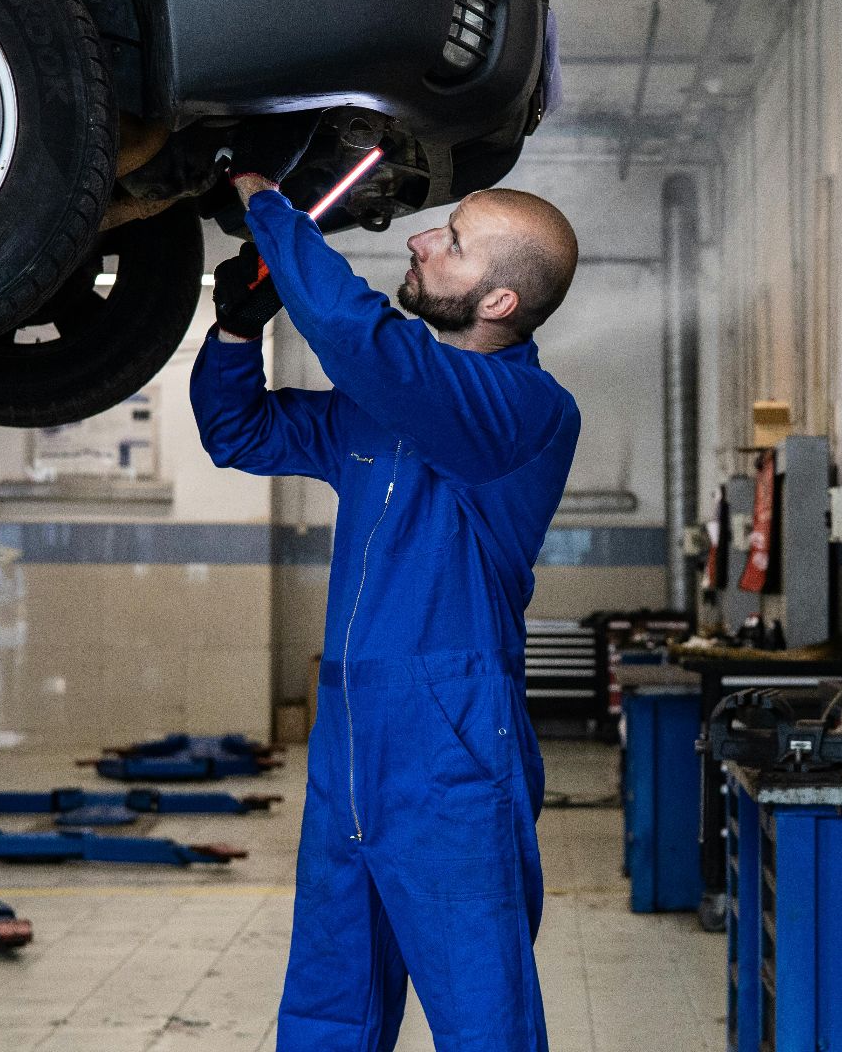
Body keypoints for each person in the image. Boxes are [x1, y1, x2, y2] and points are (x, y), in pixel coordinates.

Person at [189, 119, 581, 1051]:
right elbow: (238, 434)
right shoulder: (386, 405)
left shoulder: (523, 412)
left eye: (448, 240)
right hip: (351, 742)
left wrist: (267, 205)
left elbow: (357, 336)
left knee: (482, 1016)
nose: (418, 237)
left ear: (497, 298)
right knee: (330, 1003)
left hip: (449, 751)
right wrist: (237, 332)